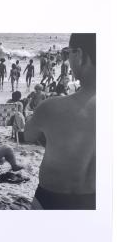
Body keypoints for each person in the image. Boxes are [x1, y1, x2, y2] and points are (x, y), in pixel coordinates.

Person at [25, 33, 96, 209]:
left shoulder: (52, 107)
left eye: (67, 52)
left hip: (52, 198)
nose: (67, 58)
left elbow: (28, 136)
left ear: (79, 54)